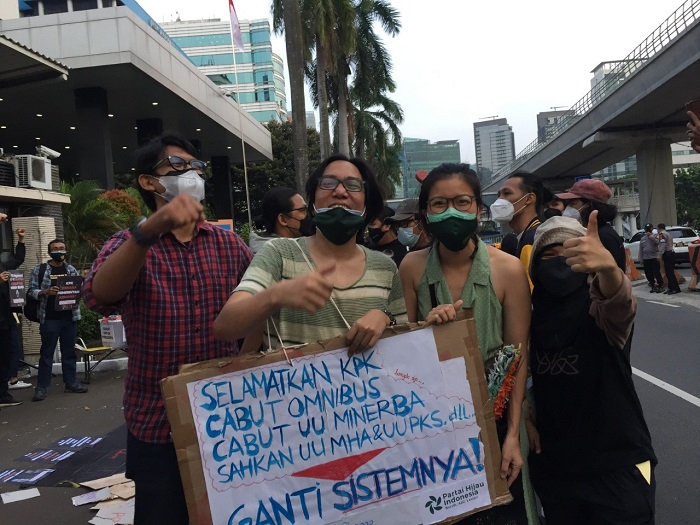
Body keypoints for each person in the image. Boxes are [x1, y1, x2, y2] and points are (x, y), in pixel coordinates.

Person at [82, 132, 254, 525]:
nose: (191, 174)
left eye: (196, 167)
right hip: (157, 422)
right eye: (177, 165)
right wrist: (148, 231)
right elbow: (99, 296)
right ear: (149, 181)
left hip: (224, 418)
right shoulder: (128, 245)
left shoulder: (228, 246)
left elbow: (256, 308)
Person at [399, 163, 533, 524]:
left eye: (462, 202)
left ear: (478, 208)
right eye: (439, 204)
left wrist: (513, 435)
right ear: (426, 213)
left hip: (495, 417)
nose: (451, 212)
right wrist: (427, 331)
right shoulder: (411, 267)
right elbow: (402, 351)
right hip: (432, 423)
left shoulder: (508, 269)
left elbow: (517, 356)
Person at [527, 214, 656, 524]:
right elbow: (520, 373)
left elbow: (619, 302)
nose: (560, 262)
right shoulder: (529, 315)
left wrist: (609, 269)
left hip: (618, 468)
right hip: (556, 472)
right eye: (549, 255)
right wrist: (525, 414)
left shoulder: (600, 310)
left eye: (571, 252)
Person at [213, 153, 407, 355]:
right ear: (312, 201)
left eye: (353, 185)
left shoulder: (386, 268)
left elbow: (404, 343)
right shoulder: (278, 253)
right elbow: (224, 328)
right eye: (328, 183)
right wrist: (275, 295)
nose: (340, 191)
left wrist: (386, 317)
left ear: (367, 203)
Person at [27, 239, 87, 402]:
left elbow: (80, 291)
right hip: (49, 318)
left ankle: (71, 382)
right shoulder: (40, 269)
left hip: (69, 317)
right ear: (49, 252)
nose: (59, 251)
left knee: (69, 352)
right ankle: (41, 387)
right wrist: (45, 292)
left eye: (62, 248)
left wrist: (83, 283)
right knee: (47, 354)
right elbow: (31, 291)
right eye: (55, 248)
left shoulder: (70, 269)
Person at [556, 178, 626, 272]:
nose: (568, 209)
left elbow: (607, 274)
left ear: (589, 205)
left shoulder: (603, 236)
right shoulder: (600, 232)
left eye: (573, 204)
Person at [490, 172, 543, 288]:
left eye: (507, 193)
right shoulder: (527, 235)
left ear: (529, 199)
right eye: (499, 195)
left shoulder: (531, 239)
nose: (500, 200)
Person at [0, 216, 27, 406]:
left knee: (6, 355)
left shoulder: (3, 265)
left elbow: (17, 260)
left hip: (5, 318)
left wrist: (21, 241)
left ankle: (4, 393)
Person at [248, 186, 315, 254]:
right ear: (283, 219)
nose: (308, 214)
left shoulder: (300, 247)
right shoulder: (269, 255)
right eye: (302, 210)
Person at [638, 223, 664, 293]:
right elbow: (641, 249)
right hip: (646, 258)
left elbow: (657, 242)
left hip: (654, 257)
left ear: (652, 229)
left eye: (649, 228)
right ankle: (653, 285)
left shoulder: (656, 235)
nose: (647, 230)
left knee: (656, 272)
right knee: (648, 273)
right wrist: (640, 259)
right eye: (646, 229)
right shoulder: (643, 238)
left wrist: (651, 236)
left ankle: (660, 285)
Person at [657, 223, 681, 295]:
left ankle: (675, 288)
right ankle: (671, 288)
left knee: (669, 272)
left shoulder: (662, 234)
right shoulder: (667, 234)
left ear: (659, 228)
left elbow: (662, 245)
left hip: (668, 254)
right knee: (669, 272)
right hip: (671, 253)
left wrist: (659, 255)